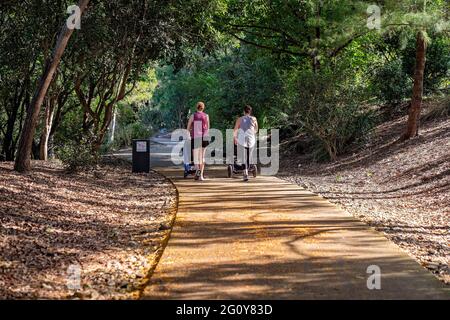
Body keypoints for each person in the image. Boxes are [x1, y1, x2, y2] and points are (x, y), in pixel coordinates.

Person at [234, 105, 258, 182]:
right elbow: (256, 129)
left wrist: (235, 138)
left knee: (243, 156)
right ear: (250, 111)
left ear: (244, 111)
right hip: (251, 139)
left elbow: (235, 130)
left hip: (242, 139)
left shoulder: (239, 119)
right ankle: (247, 170)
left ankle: (245, 172)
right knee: (248, 156)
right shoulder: (254, 119)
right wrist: (252, 133)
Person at [187, 102, 210, 181]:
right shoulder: (206, 116)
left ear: (196, 107)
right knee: (202, 157)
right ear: (203, 108)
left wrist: (189, 134)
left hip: (195, 137)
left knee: (196, 157)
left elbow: (188, 127)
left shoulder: (193, 116)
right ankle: (201, 177)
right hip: (204, 137)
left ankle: (198, 171)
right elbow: (208, 128)